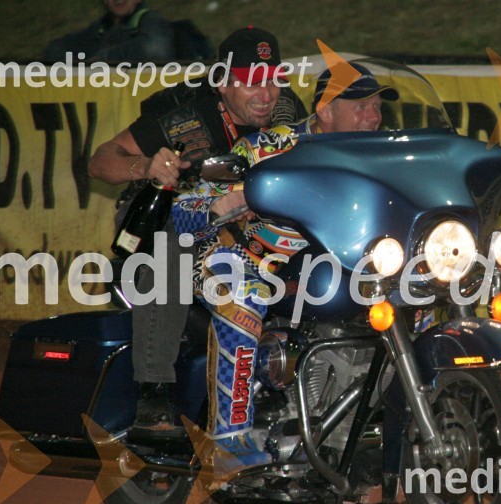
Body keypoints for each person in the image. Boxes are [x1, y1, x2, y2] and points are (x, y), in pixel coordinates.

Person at [170, 62, 398, 474]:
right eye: (361, 106)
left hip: (330, 266)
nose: (373, 117)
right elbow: (187, 205)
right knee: (243, 295)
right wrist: (220, 202)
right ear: (326, 111)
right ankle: (227, 439)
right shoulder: (271, 146)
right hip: (242, 258)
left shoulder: (385, 154)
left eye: (377, 106)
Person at [87, 27, 307, 439]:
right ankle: (154, 390)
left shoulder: (290, 111)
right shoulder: (181, 110)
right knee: (171, 243)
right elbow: (101, 161)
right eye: (250, 83)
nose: (266, 94)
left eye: (274, 80)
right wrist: (147, 167)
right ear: (222, 82)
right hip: (161, 214)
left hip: (244, 216)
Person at [45, 0, 175, 62]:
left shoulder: (152, 21)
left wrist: (103, 59)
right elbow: (56, 49)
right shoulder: (100, 27)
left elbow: (156, 50)